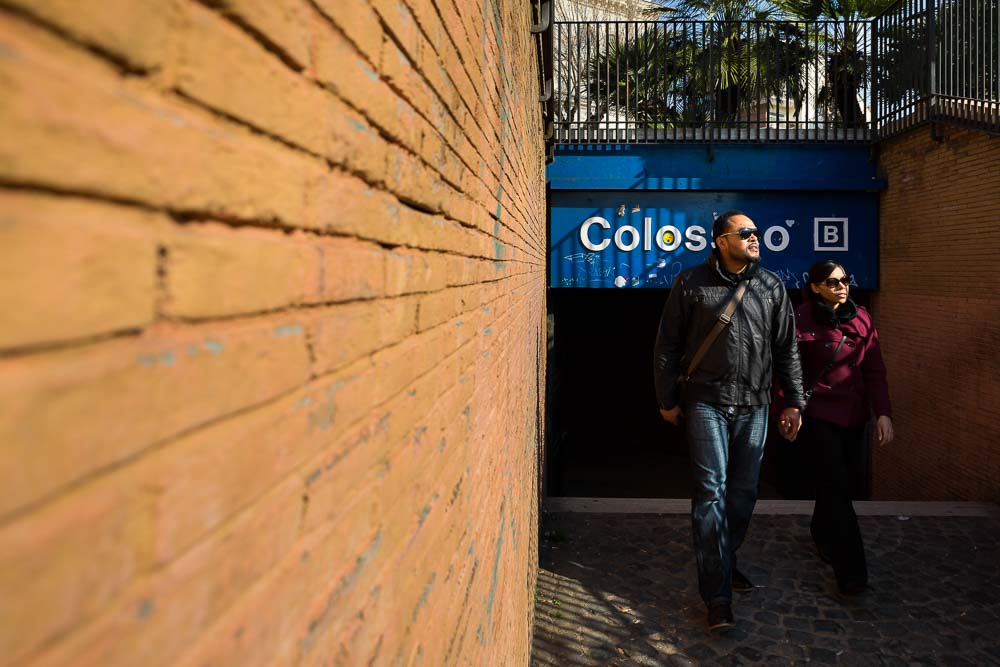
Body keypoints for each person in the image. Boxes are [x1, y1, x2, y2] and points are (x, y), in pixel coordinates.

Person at [654, 211, 806, 631]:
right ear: (721, 241)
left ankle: (722, 558)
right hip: (706, 401)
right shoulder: (690, 283)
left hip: (755, 404)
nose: (756, 238)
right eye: (746, 233)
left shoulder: (772, 286)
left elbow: (787, 349)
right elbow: (667, 344)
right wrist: (667, 398)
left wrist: (794, 402)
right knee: (711, 493)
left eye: (757, 232)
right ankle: (717, 596)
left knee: (743, 493)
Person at [792, 260, 893, 595]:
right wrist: (787, 409)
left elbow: (875, 370)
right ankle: (851, 574)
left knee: (838, 485)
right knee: (836, 491)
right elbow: (787, 370)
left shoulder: (861, 317)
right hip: (819, 415)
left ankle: (821, 532)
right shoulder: (800, 318)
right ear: (816, 286)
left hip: (854, 416)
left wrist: (883, 412)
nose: (842, 286)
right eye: (833, 282)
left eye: (845, 280)